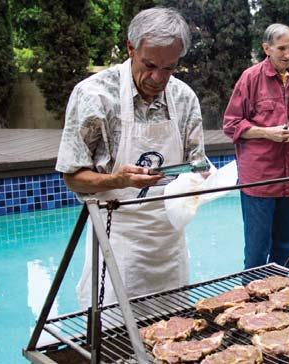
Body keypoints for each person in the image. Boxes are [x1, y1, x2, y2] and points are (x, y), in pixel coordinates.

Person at [55, 8, 206, 308]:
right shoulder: (94, 96)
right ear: (130, 48)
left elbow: (197, 165)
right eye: (150, 65)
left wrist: (205, 181)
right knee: (116, 337)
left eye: (169, 68)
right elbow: (72, 176)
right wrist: (117, 180)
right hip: (118, 242)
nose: (158, 78)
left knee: (173, 335)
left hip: (169, 243)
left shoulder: (184, 98)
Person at [223, 23, 289, 270]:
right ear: (266, 48)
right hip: (259, 180)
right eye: (281, 48)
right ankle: (251, 304)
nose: (287, 54)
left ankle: (279, 300)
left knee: (287, 247)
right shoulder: (250, 78)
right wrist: (267, 133)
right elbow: (231, 125)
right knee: (256, 251)